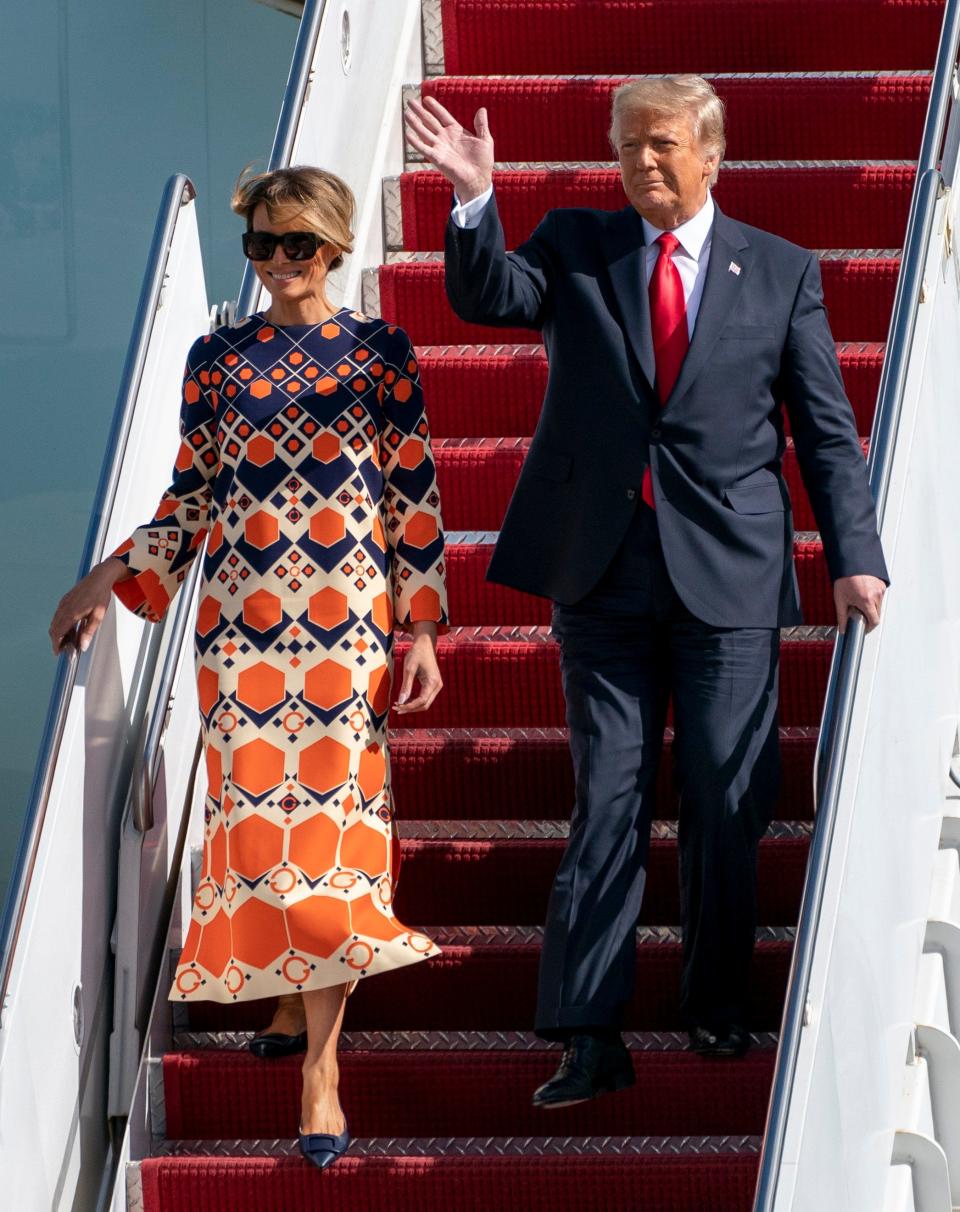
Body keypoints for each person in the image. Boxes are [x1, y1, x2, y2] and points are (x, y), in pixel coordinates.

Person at [406, 75, 887, 1107]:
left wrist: (856, 554)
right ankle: (587, 1033)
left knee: (723, 792)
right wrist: (473, 203)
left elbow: (827, 433)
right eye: (627, 147)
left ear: (714, 151)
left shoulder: (784, 271)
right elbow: (491, 298)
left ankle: (715, 1000)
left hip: (733, 573)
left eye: (662, 145)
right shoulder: (579, 245)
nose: (643, 165)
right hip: (604, 569)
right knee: (610, 795)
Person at [49, 165, 449, 1166]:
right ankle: (280, 987)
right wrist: (104, 578)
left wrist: (427, 630)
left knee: (333, 830)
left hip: (346, 624)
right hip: (240, 626)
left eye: (296, 246)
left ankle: (322, 1068)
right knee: (254, 823)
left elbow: (412, 499)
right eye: (260, 246)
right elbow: (191, 497)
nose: (277, 265)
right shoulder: (216, 358)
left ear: (338, 246)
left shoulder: (378, 353)